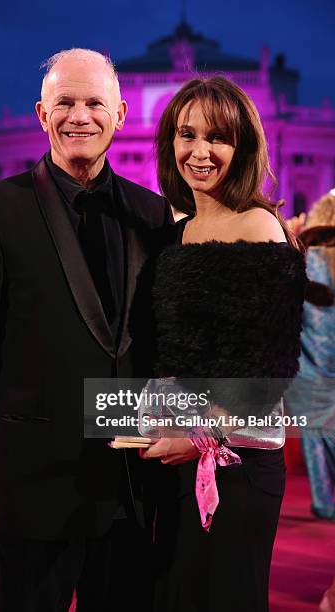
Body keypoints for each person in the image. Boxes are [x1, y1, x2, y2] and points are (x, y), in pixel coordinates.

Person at [0, 48, 171, 611]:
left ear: (120, 115)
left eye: (95, 103)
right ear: (41, 115)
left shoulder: (153, 214)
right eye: (64, 103)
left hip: (127, 475)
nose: (80, 116)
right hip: (33, 474)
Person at [140, 76, 307, 611]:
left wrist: (198, 436)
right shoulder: (178, 231)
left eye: (218, 137)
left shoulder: (257, 224)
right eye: (186, 135)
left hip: (235, 464)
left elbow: (270, 371)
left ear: (244, 147)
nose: (200, 151)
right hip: (174, 455)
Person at [285, 192, 335, 521]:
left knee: (316, 437)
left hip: (309, 364)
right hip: (329, 362)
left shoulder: (308, 256)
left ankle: (323, 502)